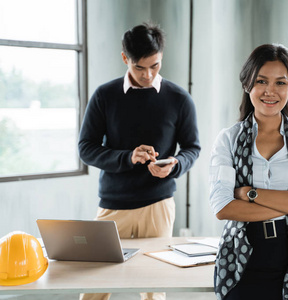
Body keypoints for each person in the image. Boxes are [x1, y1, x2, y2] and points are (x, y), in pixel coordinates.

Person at [78, 22, 200, 300]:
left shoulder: (180, 98)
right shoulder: (104, 96)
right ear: (125, 58)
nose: (147, 75)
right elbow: (86, 149)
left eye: (154, 66)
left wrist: (176, 164)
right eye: (139, 67)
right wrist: (127, 156)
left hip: (158, 205)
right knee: (93, 286)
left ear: (161, 57)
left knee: (155, 288)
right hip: (113, 205)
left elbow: (192, 148)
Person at [209, 44, 288, 300]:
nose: (270, 91)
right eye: (261, 81)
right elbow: (222, 207)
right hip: (241, 259)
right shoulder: (228, 139)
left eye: (281, 83)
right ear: (247, 84)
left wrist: (249, 193)